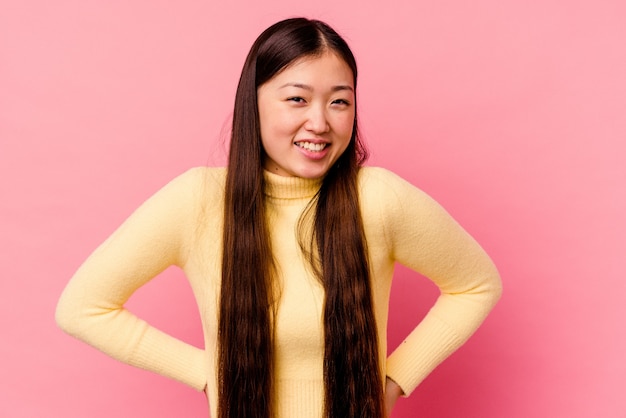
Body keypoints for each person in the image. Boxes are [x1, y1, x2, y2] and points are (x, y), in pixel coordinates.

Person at [56, 17, 502, 418]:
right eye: (297, 99)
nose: (319, 123)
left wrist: (393, 380)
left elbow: (477, 284)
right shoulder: (199, 200)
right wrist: (208, 371)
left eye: (339, 102)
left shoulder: (379, 199)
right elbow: (83, 307)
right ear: (254, 102)